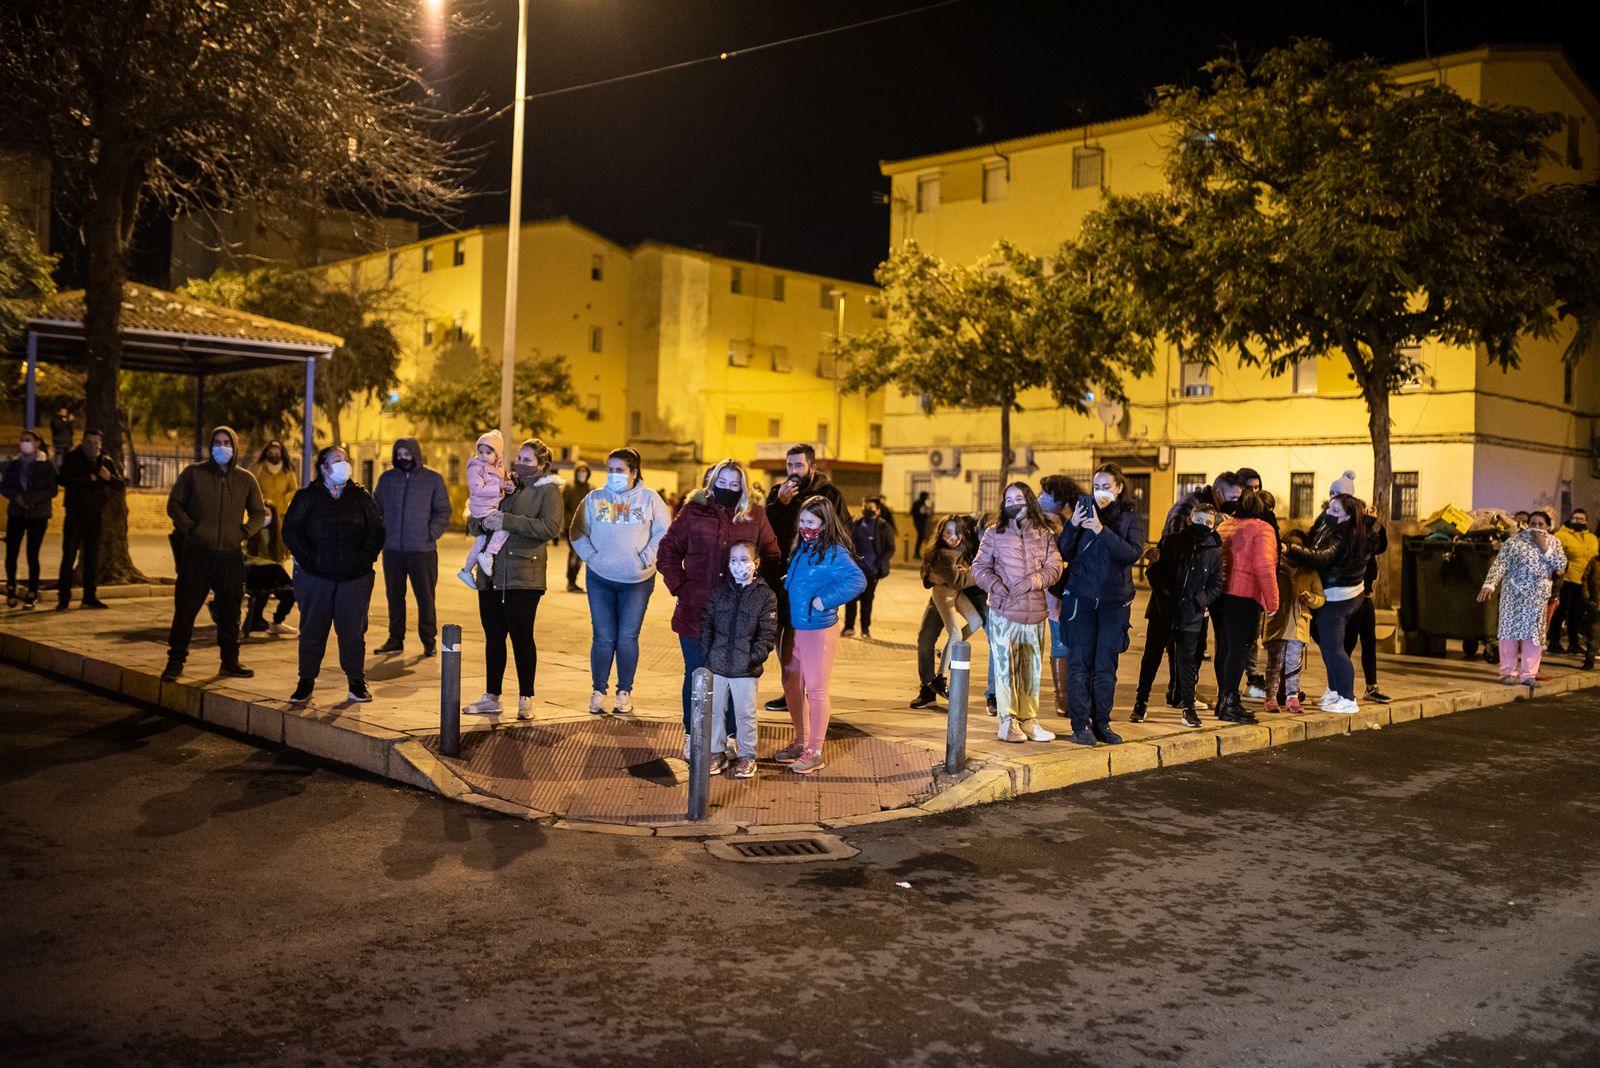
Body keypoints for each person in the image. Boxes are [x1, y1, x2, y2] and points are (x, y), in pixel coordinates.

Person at [658, 459, 781, 751]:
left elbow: (772, 556)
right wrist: (681, 587)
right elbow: (668, 551)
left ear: (743, 486)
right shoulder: (693, 512)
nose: (728, 488)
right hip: (696, 610)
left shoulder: (755, 516)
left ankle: (725, 737)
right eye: (722, 483)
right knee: (698, 675)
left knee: (733, 677)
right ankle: (693, 736)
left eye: (734, 484)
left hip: (739, 616)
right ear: (711, 484)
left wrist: (755, 594)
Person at [457, 439, 563, 719]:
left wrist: (507, 521)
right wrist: (479, 523)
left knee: (521, 636)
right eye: (518, 457)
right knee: (493, 636)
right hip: (490, 573)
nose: (520, 463)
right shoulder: (501, 480)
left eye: (528, 460)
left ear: (542, 465)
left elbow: (550, 527)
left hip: (524, 574)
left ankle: (526, 696)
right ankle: (492, 695)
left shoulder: (548, 490)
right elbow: (476, 513)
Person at [568, 447, 671, 714]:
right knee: (602, 637)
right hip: (600, 578)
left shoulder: (650, 500)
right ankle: (598, 691)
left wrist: (646, 557)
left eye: (619, 470)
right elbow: (576, 530)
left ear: (633, 473)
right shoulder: (594, 498)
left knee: (627, 637)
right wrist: (592, 557)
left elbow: (664, 533)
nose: (613, 474)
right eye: (610, 469)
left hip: (637, 581)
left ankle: (624, 691)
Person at [281, 445, 384, 704]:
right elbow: (291, 530)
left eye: (346, 460)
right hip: (316, 577)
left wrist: (364, 558)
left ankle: (356, 681)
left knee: (352, 632)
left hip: (355, 577)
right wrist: (310, 560)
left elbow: (376, 530)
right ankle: (306, 681)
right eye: (337, 460)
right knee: (312, 630)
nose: (344, 465)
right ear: (324, 467)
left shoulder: (360, 497)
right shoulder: (307, 496)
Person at [161, 426, 264, 681]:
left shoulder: (246, 479)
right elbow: (174, 504)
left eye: (226, 442)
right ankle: (175, 661)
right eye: (217, 442)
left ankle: (230, 661)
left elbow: (259, 513)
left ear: (235, 446)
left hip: (230, 556)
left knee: (230, 612)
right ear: (210, 446)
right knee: (186, 610)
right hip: (198, 554)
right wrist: (191, 529)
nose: (222, 447)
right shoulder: (193, 474)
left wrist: (243, 532)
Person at [776, 496, 866, 774]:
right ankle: (801, 742)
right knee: (792, 685)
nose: (805, 527)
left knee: (815, 690)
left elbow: (857, 581)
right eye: (802, 521)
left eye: (811, 522)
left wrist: (825, 600)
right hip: (793, 627)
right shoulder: (802, 548)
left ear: (825, 523)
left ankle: (814, 750)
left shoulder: (835, 552)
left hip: (817, 630)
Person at [1057, 464, 1146, 746]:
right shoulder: (1081, 514)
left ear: (1119, 488)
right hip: (1080, 600)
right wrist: (1073, 526)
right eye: (1097, 486)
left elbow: (1131, 553)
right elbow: (1063, 552)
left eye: (1106, 486)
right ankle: (1080, 724)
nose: (1101, 492)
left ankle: (1102, 723)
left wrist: (1100, 529)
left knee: (1106, 666)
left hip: (1113, 602)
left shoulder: (1130, 518)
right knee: (1079, 663)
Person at [973, 482, 1064, 744]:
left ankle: (1029, 720)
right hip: (1003, 610)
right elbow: (979, 567)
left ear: (1030, 501)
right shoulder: (993, 533)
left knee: (1030, 669)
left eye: (1019, 498)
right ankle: (1007, 722)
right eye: (1009, 499)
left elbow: (1054, 567)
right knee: (1005, 668)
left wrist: (1033, 581)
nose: (1014, 503)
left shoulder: (1044, 534)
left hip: (1035, 611)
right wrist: (995, 585)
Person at [763, 444, 851, 712]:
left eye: (798, 465)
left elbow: (841, 533)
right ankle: (791, 690)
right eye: (789, 465)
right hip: (782, 578)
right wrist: (781, 503)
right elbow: (767, 529)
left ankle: (812, 692)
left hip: (813, 580)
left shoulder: (830, 495)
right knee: (784, 638)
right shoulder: (779, 494)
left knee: (809, 638)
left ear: (812, 467)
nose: (793, 471)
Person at [1133, 501, 1222, 728]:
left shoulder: (1213, 551)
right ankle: (1140, 701)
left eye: (1208, 523)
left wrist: (1198, 602)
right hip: (1163, 611)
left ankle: (1188, 708)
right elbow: (1154, 569)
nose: (1203, 525)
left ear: (1214, 526)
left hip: (1190, 615)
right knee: (1151, 658)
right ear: (1190, 519)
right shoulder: (1172, 541)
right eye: (1199, 520)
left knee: (1187, 663)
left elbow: (1216, 584)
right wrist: (1164, 596)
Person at [698, 541, 780, 779]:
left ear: (756, 564)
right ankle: (716, 752)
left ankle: (746, 756)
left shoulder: (765, 596)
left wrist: (754, 657)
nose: (738, 565)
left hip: (746, 668)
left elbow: (767, 633)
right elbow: (707, 624)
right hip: (717, 664)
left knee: (745, 714)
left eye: (744, 560)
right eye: (733, 560)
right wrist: (708, 652)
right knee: (713, 712)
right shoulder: (720, 592)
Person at [1285, 491, 1369, 714]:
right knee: (1328, 647)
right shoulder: (1348, 530)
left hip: (1336, 598)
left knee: (1334, 650)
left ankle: (1348, 698)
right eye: (1328, 508)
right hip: (1345, 594)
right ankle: (1334, 691)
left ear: (1348, 516)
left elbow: (1321, 557)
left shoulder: (1344, 535)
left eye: (1335, 510)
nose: (1328, 513)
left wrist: (1291, 549)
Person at [371, 438, 451, 657]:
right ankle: (395, 639)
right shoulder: (387, 479)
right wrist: (380, 534)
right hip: (393, 550)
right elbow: (375, 508)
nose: (403, 458)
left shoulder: (432, 479)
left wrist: (430, 534)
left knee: (425, 597)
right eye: (399, 454)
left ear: (415, 454)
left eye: (407, 454)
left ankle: (428, 640)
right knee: (394, 595)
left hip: (422, 551)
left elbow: (443, 511)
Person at [1477, 511, 1568, 688]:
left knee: (1533, 637)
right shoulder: (1514, 542)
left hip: (1537, 599)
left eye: (1541, 524)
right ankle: (1508, 672)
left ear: (1548, 526)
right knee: (1508, 635)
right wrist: (1489, 584)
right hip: (1513, 596)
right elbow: (1500, 564)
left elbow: (1561, 565)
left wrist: (1544, 548)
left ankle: (1529, 675)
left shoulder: (1554, 543)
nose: (1537, 527)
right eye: (1533, 523)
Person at [1212, 490, 1279, 724]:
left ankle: (1223, 699)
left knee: (1224, 649)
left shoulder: (1226, 526)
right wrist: (1273, 601)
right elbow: (1264, 566)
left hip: (1219, 594)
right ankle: (1231, 702)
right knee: (1239, 650)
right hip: (1244, 596)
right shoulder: (1262, 529)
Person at [912, 514, 989, 708]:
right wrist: (934, 576)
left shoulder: (968, 546)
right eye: (948, 532)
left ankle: (948, 653)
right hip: (943, 595)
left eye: (958, 533)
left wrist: (966, 572)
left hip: (961, 594)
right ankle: (929, 687)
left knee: (974, 622)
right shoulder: (943, 552)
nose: (953, 537)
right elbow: (945, 576)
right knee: (926, 638)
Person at [55, 428, 122, 610]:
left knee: (92, 557)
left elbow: (119, 485)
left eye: (96, 443)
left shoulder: (105, 461)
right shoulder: (73, 458)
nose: (93, 446)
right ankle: (63, 598)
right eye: (90, 442)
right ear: (83, 441)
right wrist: (88, 478)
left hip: (95, 515)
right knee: (69, 555)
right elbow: (63, 480)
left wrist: (110, 478)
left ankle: (89, 596)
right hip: (75, 515)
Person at [1260, 530, 1325, 714]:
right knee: (1275, 663)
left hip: (1299, 625)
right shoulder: (1276, 568)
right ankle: (1270, 697)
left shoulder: (1310, 572)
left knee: (1293, 664)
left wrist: (1310, 598)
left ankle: (1292, 697)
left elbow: (1320, 598)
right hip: (1277, 624)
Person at [1037, 474, 1084, 718]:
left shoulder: (1072, 517)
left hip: (1076, 586)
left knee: (1075, 640)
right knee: (1059, 638)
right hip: (1054, 588)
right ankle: (1062, 696)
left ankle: (1073, 694)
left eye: (1045, 494)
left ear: (1060, 497)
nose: (1040, 497)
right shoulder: (1042, 521)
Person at [3, 430, 58, 609]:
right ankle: (11, 588)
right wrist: (16, 497)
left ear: (36, 443)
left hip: (37, 515)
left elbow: (52, 490)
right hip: (16, 513)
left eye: (28, 440)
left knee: (32, 554)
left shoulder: (46, 465)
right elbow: (4, 486)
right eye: (22, 440)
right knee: (11, 553)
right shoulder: (14, 464)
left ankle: (32, 593)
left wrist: (29, 500)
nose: (24, 443)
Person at [1344, 508, 1392, 703]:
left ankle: (1371, 687)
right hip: (1353, 596)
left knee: (1369, 642)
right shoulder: (1352, 534)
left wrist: (1376, 524)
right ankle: (1340, 686)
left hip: (1366, 596)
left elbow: (1380, 546)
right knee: (1348, 643)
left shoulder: (1368, 534)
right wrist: (1367, 520)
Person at [457, 430, 515, 587]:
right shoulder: (475, 467)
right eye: (480, 451)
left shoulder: (499, 468)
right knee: (504, 525)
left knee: (480, 541)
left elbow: (503, 485)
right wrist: (499, 486)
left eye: (488, 452)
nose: (483, 456)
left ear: (497, 454)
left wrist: (508, 486)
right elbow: (477, 489)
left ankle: (466, 570)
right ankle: (489, 554)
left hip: (489, 506)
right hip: (482, 508)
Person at [242, 503, 296, 639]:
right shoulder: (250, 532)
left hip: (271, 574)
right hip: (254, 571)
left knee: (290, 593)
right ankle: (255, 620)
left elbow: (279, 559)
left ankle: (277, 622)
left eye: (267, 514)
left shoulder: (277, 535)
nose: (264, 518)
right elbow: (246, 556)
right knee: (270, 576)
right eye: (262, 515)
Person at [843, 500, 893, 638]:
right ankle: (849, 627)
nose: (866, 509)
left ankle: (865, 629)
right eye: (865, 507)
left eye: (870, 507)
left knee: (867, 601)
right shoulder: (855, 523)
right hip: (854, 570)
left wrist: (880, 563)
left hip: (872, 571)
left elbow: (890, 548)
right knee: (850, 600)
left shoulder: (883, 526)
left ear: (877, 510)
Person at [1552, 509, 1597, 658]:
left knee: (1576, 614)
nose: (1579, 521)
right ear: (1570, 519)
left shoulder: (1592, 538)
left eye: (1582, 519)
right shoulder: (1560, 536)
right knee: (1560, 612)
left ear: (1586, 521)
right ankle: (1554, 642)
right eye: (1576, 518)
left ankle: (1573, 643)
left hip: (1583, 582)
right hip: (1567, 580)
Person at [251, 440, 298, 558]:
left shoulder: (287, 471)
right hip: (264, 510)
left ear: (281, 454)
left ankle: (278, 557)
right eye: (271, 453)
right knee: (262, 536)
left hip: (281, 511)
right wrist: (261, 500)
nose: (274, 456)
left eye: (277, 453)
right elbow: (254, 487)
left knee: (278, 537)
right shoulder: (260, 469)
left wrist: (284, 499)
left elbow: (294, 489)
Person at [562, 463, 592, 592]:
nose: (582, 473)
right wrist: (567, 522)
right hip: (572, 527)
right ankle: (571, 581)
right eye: (580, 471)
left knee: (580, 556)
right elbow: (562, 507)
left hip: (587, 529)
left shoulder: (591, 489)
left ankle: (573, 581)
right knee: (575, 553)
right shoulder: (569, 487)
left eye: (584, 471)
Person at [1581, 550, 1599, 672]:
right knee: (1593, 634)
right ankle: (1589, 660)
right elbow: (1585, 580)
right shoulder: (1594, 561)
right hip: (1595, 603)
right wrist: (1587, 598)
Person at [911, 491, 933, 556]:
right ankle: (916, 552)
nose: (927, 498)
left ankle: (917, 552)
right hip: (918, 523)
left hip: (922, 523)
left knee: (921, 537)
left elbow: (926, 514)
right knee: (921, 536)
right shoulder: (917, 503)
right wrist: (919, 513)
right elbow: (912, 512)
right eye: (926, 496)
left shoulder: (924, 504)